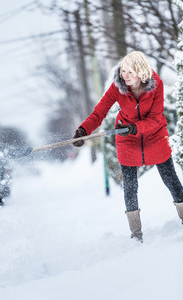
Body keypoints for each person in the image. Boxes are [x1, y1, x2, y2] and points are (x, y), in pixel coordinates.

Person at [72, 51, 183, 242]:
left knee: (171, 181)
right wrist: (84, 130)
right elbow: (100, 112)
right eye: (123, 71)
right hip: (127, 139)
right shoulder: (118, 87)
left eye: (130, 72)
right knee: (130, 188)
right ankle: (136, 234)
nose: (125, 76)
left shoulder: (156, 85)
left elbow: (156, 119)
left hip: (154, 136)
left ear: (141, 72)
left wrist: (134, 128)